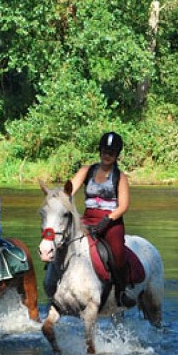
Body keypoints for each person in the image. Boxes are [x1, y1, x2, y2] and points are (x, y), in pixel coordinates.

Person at [69, 131, 136, 307]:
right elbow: (69, 190)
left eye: (112, 153)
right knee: (64, 241)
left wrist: (106, 221)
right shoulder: (87, 171)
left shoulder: (120, 177)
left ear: (117, 155)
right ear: (100, 151)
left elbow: (123, 205)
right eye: (105, 151)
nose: (108, 156)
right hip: (87, 217)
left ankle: (121, 291)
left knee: (118, 253)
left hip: (111, 221)